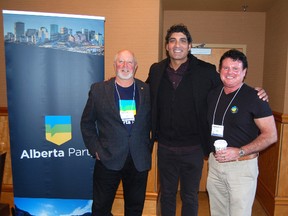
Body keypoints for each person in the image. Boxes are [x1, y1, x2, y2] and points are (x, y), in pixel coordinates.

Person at [146, 24, 268, 216]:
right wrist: (121, 84)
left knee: (190, 196)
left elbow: (231, 85)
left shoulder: (206, 70)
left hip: (193, 148)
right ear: (167, 46)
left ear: (189, 46)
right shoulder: (156, 70)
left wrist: (257, 92)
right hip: (165, 148)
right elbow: (144, 94)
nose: (177, 45)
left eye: (183, 40)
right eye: (172, 40)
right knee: (167, 195)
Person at [80, 50, 152, 216]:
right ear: (115, 65)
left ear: (135, 67)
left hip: (138, 160)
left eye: (129, 62)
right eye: (121, 62)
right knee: (101, 208)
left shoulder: (146, 90)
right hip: (107, 158)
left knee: (135, 209)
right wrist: (96, 149)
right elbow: (87, 123)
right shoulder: (98, 90)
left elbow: (153, 121)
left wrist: (147, 147)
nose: (125, 66)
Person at [206, 49, 277, 216]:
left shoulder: (255, 97)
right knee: (218, 212)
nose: (230, 72)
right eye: (225, 68)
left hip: (242, 166)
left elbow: (271, 135)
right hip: (215, 165)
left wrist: (240, 151)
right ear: (219, 70)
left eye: (235, 68)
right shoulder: (212, 94)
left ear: (244, 72)